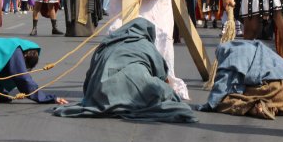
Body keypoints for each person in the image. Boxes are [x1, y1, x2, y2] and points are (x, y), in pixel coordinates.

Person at [54, 18, 196, 122]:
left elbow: (90, 75)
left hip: (100, 93)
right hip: (136, 83)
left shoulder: (106, 45)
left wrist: (91, 95)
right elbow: (162, 75)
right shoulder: (146, 45)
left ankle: (116, 99)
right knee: (170, 96)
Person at [198, 40, 283, 119]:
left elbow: (222, 86)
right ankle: (272, 107)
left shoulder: (233, 55)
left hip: (275, 90)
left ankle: (254, 107)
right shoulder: (258, 49)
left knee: (224, 100)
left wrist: (210, 104)